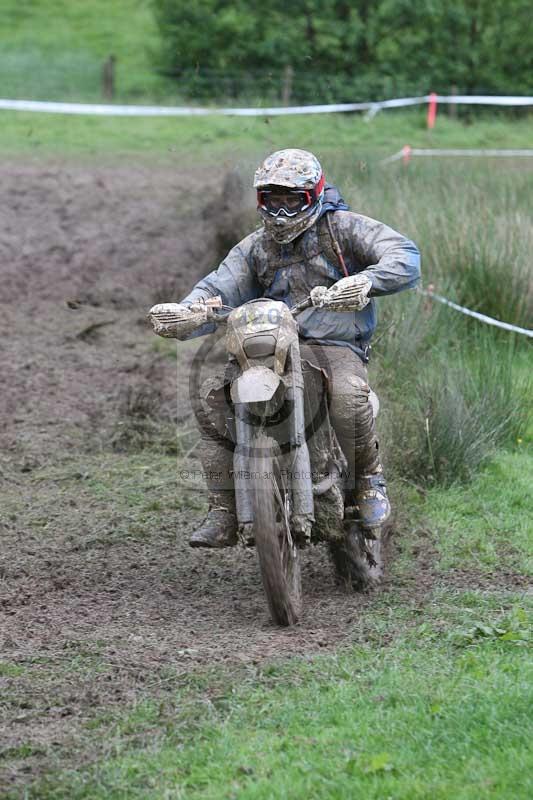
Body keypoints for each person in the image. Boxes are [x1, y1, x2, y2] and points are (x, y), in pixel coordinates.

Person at [150, 149, 421, 548]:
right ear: (261, 201)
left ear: (312, 196)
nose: (281, 212)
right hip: (266, 344)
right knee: (213, 400)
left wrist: (367, 281)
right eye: (272, 201)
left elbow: (405, 256)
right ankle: (223, 509)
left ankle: (368, 480)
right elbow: (218, 287)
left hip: (334, 346)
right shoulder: (255, 248)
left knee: (347, 395)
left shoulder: (343, 230)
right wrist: (188, 312)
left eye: (291, 200)